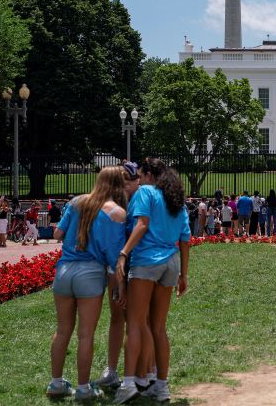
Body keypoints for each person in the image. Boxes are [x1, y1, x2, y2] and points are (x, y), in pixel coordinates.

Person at [47, 166, 127, 401]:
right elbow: (114, 256)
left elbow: (58, 234)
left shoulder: (76, 202)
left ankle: (56, 383)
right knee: (85, 335)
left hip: (64, 270)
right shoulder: (117, 213)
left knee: (62, 330)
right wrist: (120, 283)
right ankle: (83, 388)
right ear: (117, 185)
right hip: (90, 273)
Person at [114, 158, 190, 404]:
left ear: (147, 175)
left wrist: (124, 253)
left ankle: (128, 384)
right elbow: (185, 239)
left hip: (146, 261)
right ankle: (162, 385)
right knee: (158, 327)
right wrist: (184, 275)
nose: (138, 179)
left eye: (140, 174)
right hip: (171, 262)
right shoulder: (176, 201)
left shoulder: (146, 192)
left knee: (135, 323)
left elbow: (141, 224)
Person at [95, 161, 141, 391]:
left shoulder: (139, 202)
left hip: (138, 268)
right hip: (118, 270)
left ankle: (139, 372)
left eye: (129, 180)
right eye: (122, 180)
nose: (125, 185)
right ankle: (112, 369)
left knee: (136, 320)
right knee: (117, 317)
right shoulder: (112, 208)